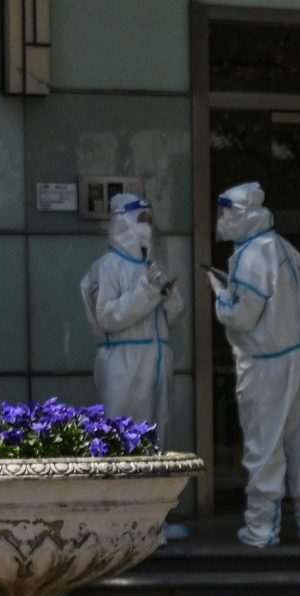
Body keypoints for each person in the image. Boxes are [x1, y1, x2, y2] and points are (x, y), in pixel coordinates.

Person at [204, 181, 300, 548]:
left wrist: (220, 294)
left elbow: (242, 316)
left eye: (228, 212)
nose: (223, 219)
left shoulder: (251, 255)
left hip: (267, 365)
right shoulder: (286, 250)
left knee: (264, 446)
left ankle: (261, 530)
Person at [80, 193, 188, 541]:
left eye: (148, 219)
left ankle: (154, 520)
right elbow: (108, 317)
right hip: (123, 364)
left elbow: (171, 317)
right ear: (122, 221)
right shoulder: (106, 267)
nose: (146, 227)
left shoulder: (148, 265)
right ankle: (118, 524)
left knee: (158, 441)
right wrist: (147, 292)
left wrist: (168, 297)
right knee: (122, 442)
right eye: (139, 219)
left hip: (156, 359)